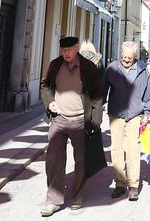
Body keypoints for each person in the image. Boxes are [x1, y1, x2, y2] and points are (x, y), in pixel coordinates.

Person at [40, 35, 104, 217]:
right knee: (53, 160)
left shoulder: (89, 68)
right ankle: (53, 200)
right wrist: (49, 102)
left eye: (69, 50)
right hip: (59, 119)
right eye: (64, 50)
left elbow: (98, 96)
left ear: (76, 49)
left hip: (80, 120)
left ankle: (77, 197)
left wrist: (95, 121)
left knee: (81, 160)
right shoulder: (55, 65)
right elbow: (45, 86)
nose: (66, 53)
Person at [104, 41, 150, 201]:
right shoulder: (112, 68)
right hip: (116, 113)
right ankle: (120, 184)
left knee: (132, 147)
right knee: (116, 149)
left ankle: (133, 185)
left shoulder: (142, 70)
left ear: (135, 57)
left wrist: (147, 113)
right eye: (124, 57)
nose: (126, 61)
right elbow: (102, 91)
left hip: (134, 114)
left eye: (129, 58)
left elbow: (148, 94)